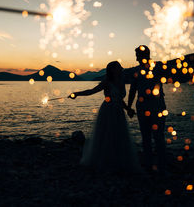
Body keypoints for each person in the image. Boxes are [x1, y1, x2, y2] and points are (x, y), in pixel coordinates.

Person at [69, 61, 140, 173]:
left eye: (119, 67)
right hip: (108, 110)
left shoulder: (122, 81)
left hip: (118, 111)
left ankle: (118, 161)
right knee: (107, 135)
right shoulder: (107, 82)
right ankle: (106, 161)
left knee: (118, 135)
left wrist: (128, 109)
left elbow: (120, 100)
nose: (120, 68)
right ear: (112, 70)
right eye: (117, 67)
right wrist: (76, 94)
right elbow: (91, 91)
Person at [127, 45, 167, 174]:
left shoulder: (157, 67)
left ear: (144, 55)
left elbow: (159, 83)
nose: (136, 57)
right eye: (137, 55)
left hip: (156, 105)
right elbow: (133, 90)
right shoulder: (137, 71)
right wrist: (129, 106)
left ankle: (161, 164)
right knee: (146, 136)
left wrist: (129, 106)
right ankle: (150, 164)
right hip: (143, 105)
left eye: (138, 55)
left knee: (158, 135)